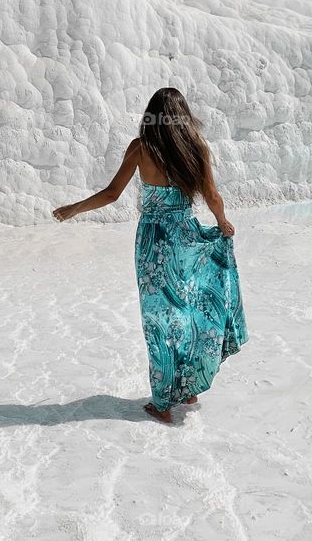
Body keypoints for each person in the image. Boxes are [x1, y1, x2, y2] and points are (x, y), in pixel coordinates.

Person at [53, 88, 248, 423]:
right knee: (187, 309)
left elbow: (113, 194)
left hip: (154, 241)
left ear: (151, 115)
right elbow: (212, 195)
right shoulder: (196, 148)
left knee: (159, 319)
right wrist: (222, 223)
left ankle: (162, 402)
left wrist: (76, 208)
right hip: (185, 235)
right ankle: (188, 387)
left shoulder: (142, 148)